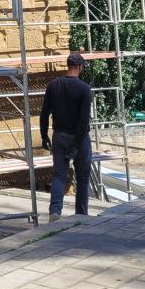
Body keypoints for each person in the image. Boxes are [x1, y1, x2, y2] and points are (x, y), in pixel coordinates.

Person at [39, 51, 92, 221]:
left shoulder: (52, 85)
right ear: (78, 67)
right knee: (82, 178)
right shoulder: (84, 89)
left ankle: (55, 211)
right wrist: (77, 145)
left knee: (59, 176)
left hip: (59, 136)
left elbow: (44, 113)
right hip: (79, 138)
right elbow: (83, 121)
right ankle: (81, 215)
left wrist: (43, 135)